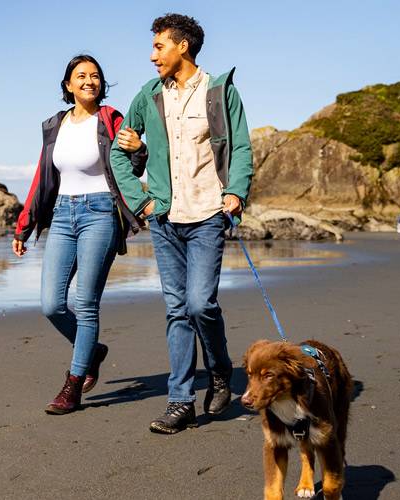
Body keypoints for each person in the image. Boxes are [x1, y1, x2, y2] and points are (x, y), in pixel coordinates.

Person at [110, 13, 255, 434]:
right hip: (164, 217)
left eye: (159, 46)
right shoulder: (147, 96)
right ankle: (180, 401)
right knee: (176, 310)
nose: (152, 54)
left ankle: (220, 369)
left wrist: (236, 191)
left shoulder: (219, 91)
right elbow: (121, 153)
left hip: (209, 213)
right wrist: (140, 202)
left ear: (182, 47)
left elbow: (241, 145)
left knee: (199, 304)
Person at [14, 54, 144, 415]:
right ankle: (93, 351)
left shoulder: (110, 119)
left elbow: (130, 165)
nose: (90, 80)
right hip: (61, 214)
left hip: (101, 213)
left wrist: (140, 151)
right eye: (81, 75)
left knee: (86, 302)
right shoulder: (55, 125)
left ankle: (72, 386)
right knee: (52, 304)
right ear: (68, 85)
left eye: (96, 76)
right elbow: (43, 177)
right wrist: (24, 226)